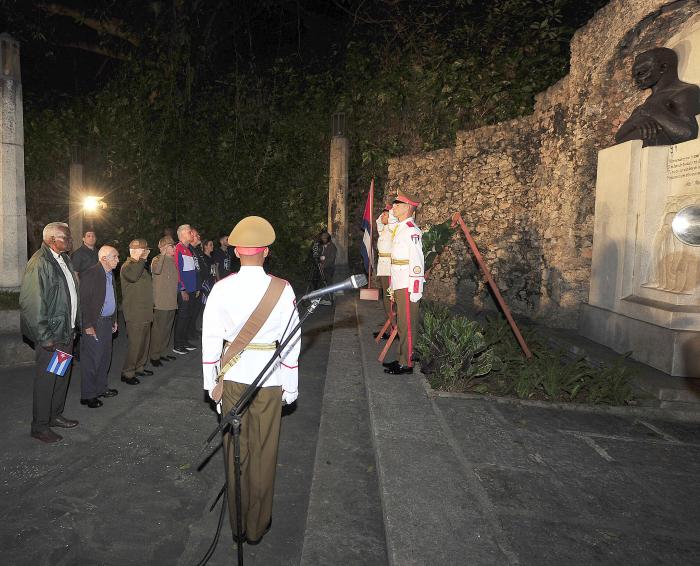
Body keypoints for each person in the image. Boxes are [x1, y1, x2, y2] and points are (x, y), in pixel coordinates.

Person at [202, 215, 300, 546]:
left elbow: (211, 340)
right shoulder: (282, 289)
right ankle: (257, 526)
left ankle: (237, 524)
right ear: (266, 252)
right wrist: (291, 385)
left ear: (236, 252)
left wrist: (211, 385)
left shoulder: (222, 288)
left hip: (233, 378)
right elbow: (292, 341)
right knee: (264, 451)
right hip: (270, 378)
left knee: (235, 452)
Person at [19, 222, 80, 443]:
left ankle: (54, 415)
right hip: (52, 337)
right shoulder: (40, 263)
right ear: (51, 239)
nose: (71, 240)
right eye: (66, 237)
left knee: (59, 376)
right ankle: (40, 425)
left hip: (65, 333)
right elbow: (32, 304)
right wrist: (44, 337)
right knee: (46, 380)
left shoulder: (63, 259)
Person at [383, 189, 425, 375]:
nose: (393, 206)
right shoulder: (401, 227)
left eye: (398, 204)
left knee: (407, 324)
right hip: (400, 282)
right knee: (402, 323)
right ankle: (402, 357)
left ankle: (406, 363)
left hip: (408, 285)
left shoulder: (411, 231)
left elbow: (417, 262)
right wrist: (393, 285)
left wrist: (415, 289)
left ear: (408, 207)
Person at [78, 246, 119, 408]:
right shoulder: (91, 273)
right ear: (104, 258)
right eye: (114, 257)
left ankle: (101, 388)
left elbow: (111, 298)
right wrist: (87, 325)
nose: (117, 260)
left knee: (104, 357)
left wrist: (114, 318)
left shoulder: (109, 274)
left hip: (107, 321)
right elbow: (84, 302)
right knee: (92, 360)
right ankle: (88, 395)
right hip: (95, 323)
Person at [120, 239, 153, 384]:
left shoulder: (141, 266)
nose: (146, 252)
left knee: (144, 343)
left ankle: (139, 367)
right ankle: (127, 372)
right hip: (134, 313)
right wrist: (142, 260)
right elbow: (133, 277)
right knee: (135, 344)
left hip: (145, 311)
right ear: (133, 250)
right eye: (143, 250)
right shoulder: (127, 266)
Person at [149, 236, 179, 367]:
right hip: (160, 302)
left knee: (167, 330)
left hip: (172, 301)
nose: (174, 248)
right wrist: (162, 254)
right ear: (164, 248)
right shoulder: (156, 260)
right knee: (158, 330)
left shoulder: (173, 260)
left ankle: (163, 353)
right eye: (171, 246)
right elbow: (157, 270)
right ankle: (154, 356)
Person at [173, 224, 198, 355]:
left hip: (192, 289)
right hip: (185, 290)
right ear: (182, 234)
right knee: (182, 317)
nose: (192, 234)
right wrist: (182, 288)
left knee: (188, 316)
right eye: (190, 232)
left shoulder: (188, 249)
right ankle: (177, 344)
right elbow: (176, 269)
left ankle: (184, 341)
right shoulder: (177, 248)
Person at [374, 204, 398, 338]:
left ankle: (394, 329)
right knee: (386, 300)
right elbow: (378, 222)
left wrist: (390, 213)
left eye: (385, 214)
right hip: (383, 267)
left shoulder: (393, 229)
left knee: (389, 300)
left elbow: (391, 220)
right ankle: (390, 327)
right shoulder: (384, 229)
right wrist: (385, 214)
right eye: (382, 214)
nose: (382, 216)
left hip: (389, 268)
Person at [318, 231, 337, 306]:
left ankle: (329, 299)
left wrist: (324, 265)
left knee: (328, 283)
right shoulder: (322, 246)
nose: (323, 239)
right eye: (322, 237)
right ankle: (324, 298)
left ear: (328, 238)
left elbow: (331, 260)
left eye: (325, 238)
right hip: (322, 268)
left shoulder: (332, 247)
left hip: (329, 268)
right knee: (323, 283)